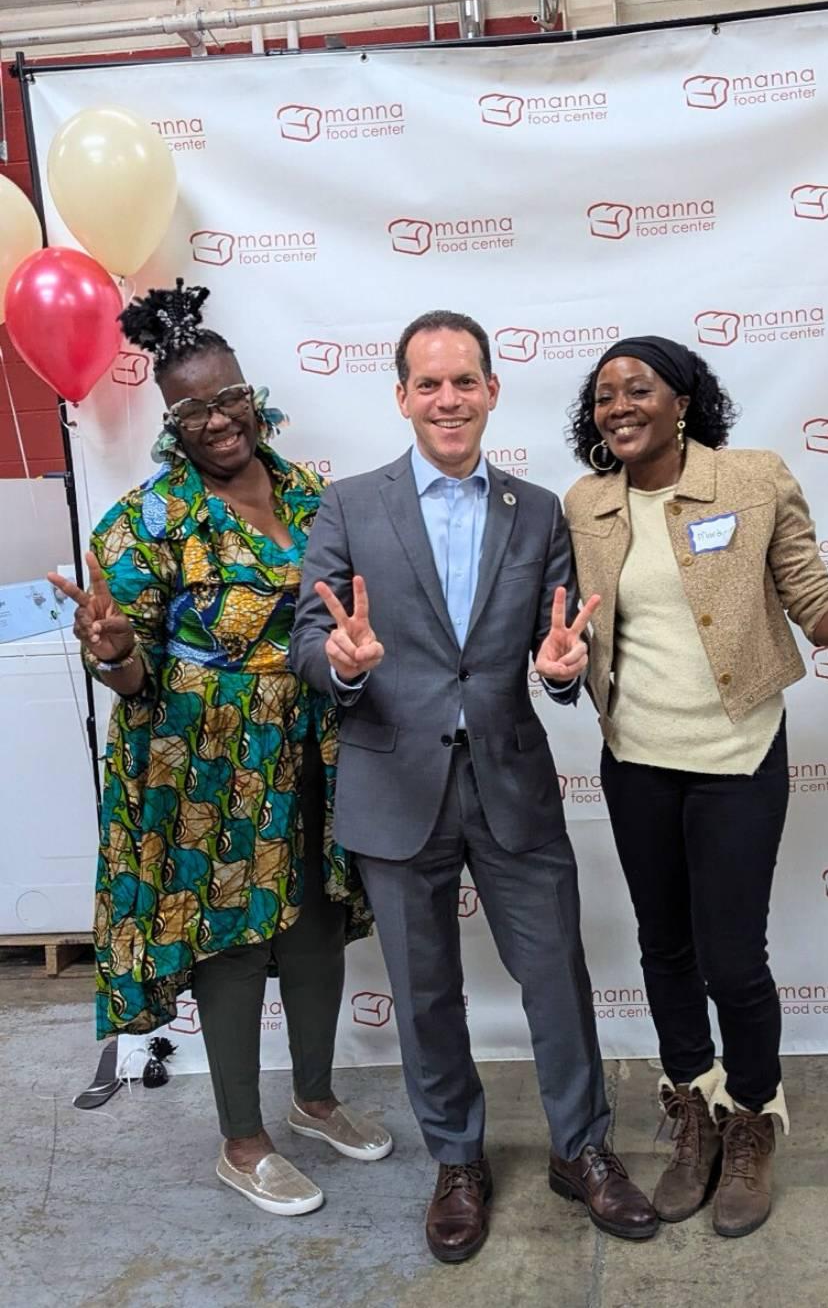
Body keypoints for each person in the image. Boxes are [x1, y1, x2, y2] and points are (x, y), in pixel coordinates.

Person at [563, 335, 828, 1238]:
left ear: (683, 400)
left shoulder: (753, 480)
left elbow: (814, 603)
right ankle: (693, 1110)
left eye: (637, 389)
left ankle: (753, 1119)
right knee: (665, 948)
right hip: (635, 758)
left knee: (732, 958)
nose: (618, 407)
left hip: (737, 756)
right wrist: (560, 665)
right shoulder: (586, 503)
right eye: (604, 396)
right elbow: (570, 628)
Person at [290, 310, 658, 1263]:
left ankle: (581, 1150)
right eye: (429, 384)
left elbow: (559, 640)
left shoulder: (536, 510)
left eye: (465, 382)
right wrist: (342, 662)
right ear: (402, 397)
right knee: (424, 994)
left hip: (511, 781)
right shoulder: (349, 505)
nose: (448, 399)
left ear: (492, 390)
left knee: (557, 976)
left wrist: (565, 668)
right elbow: (308, 639)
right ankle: (457, 1161)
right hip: (392, 785)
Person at [48, 280, 391, 1217]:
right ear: (171, 424)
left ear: (252, 395)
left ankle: (315, 1098)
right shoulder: (148, 522)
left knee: (317, 922)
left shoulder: (316, 497)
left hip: (317, 746)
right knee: (234, 943)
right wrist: (113, 652)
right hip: (208, 767)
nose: (216, 420)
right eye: (191, 409)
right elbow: (131, 676)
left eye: (227, 397)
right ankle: (243, 1141)